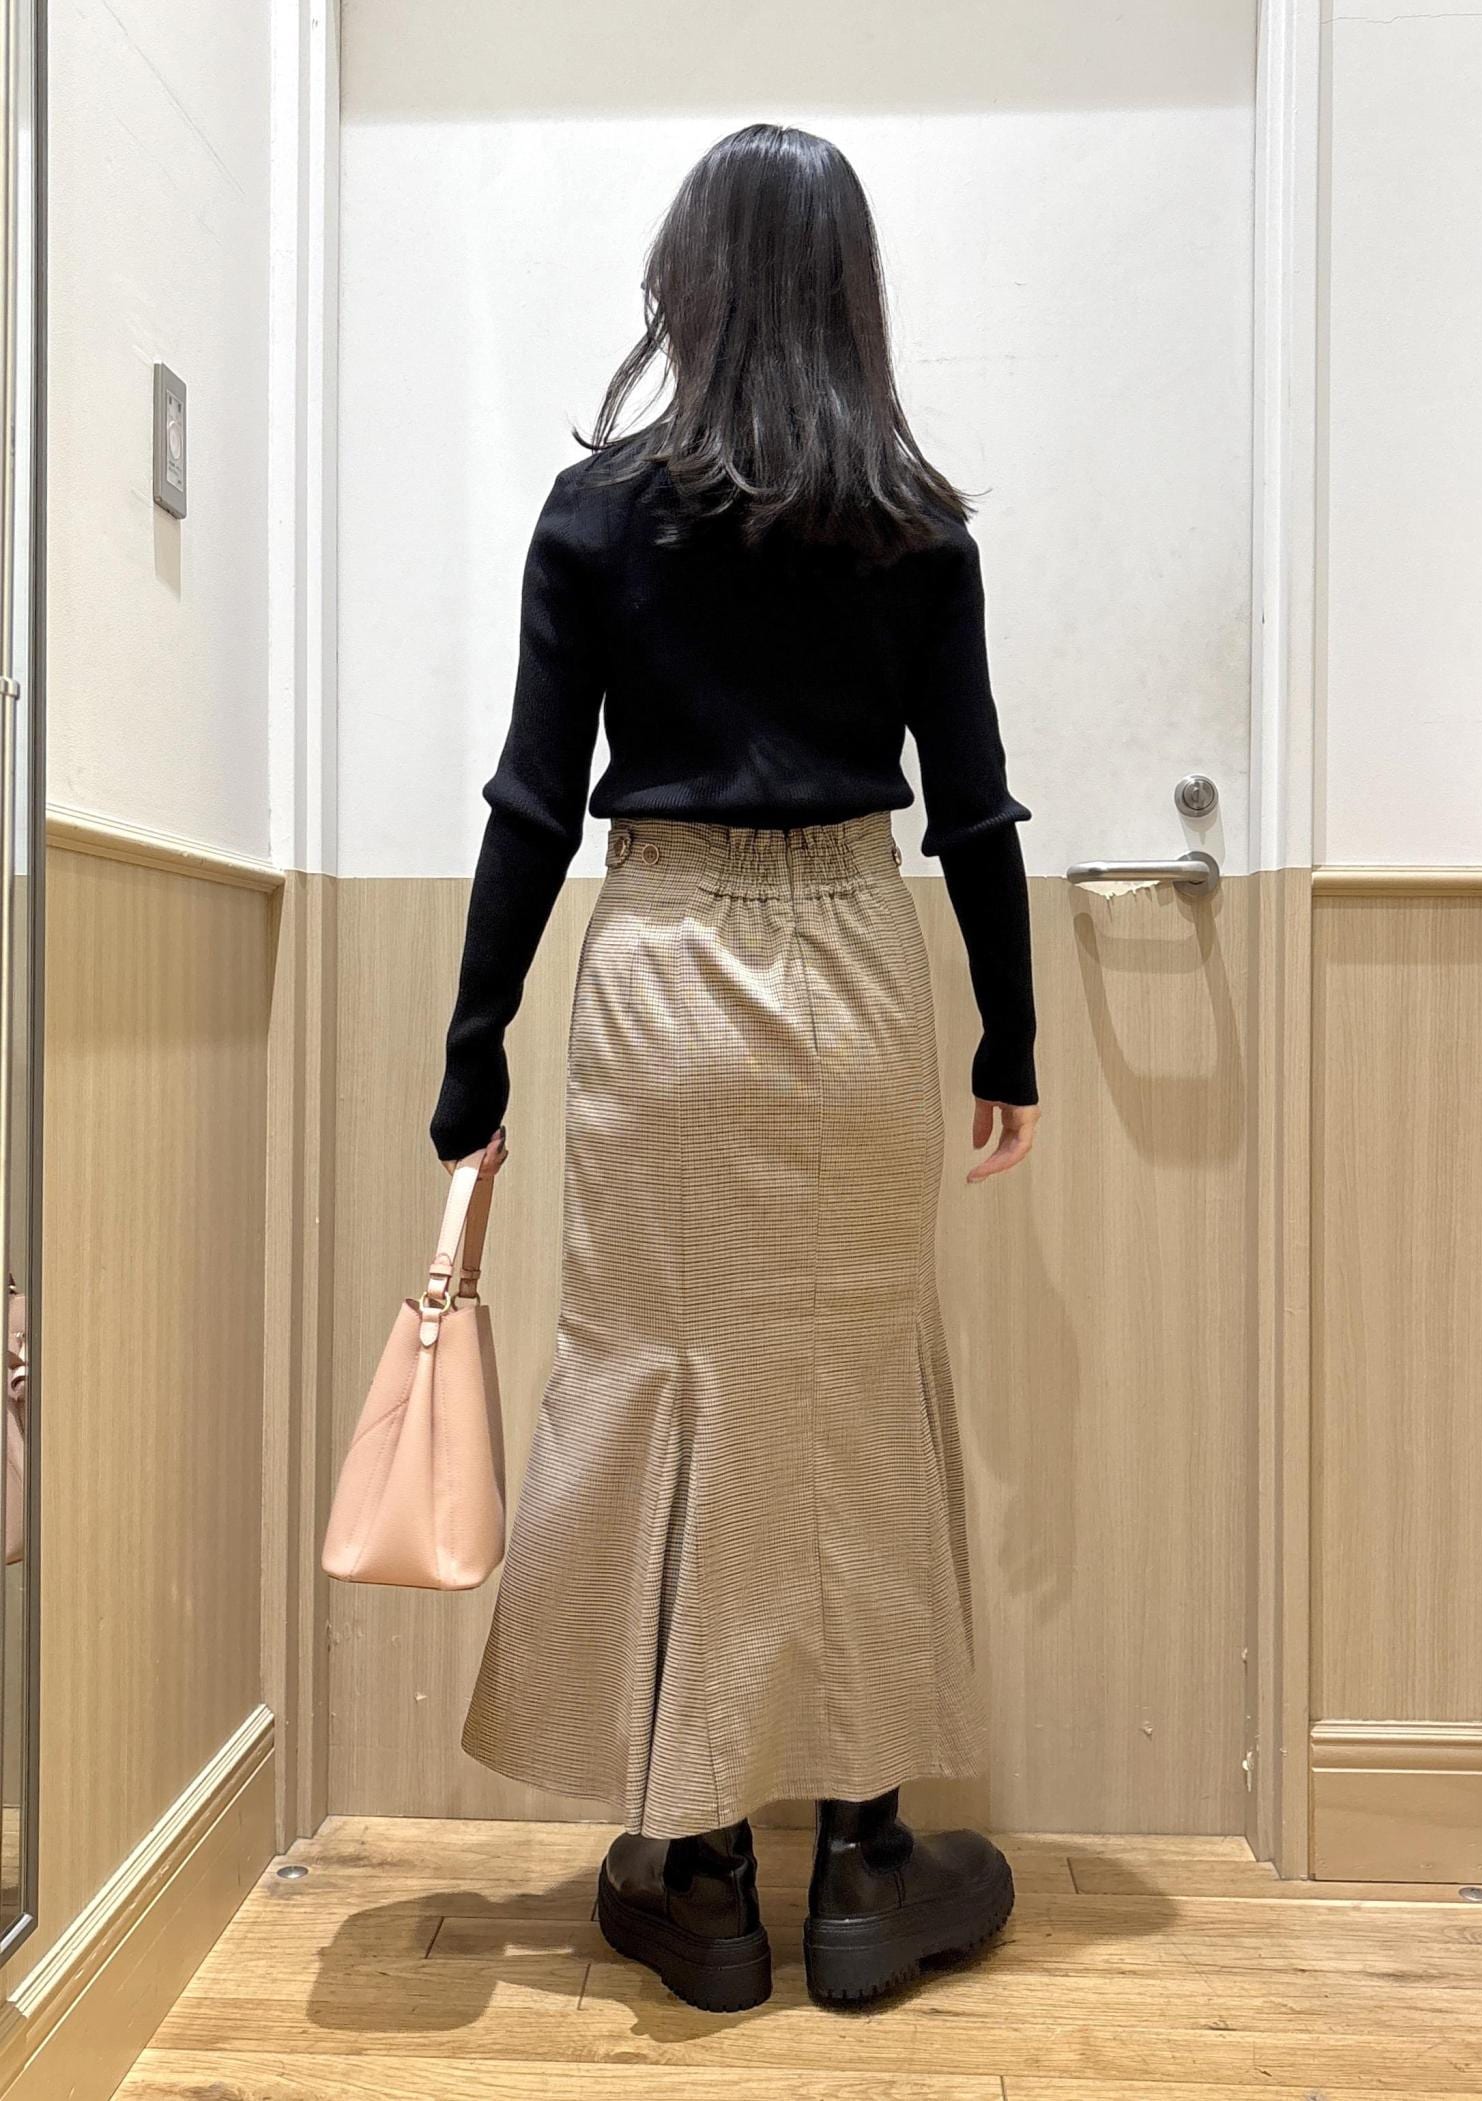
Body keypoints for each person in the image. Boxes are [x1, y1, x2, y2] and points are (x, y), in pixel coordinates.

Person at [430, 123, 1040, 2013]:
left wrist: (474, 1047)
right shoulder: (916, 522)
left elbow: (534, 806)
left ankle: (698, 1873)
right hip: (857, 967)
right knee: (853, 1383)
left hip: (665, 969)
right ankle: (863, 1863)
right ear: (851, 294)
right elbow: (974, 805)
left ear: (686, 283)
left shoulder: (597, 512)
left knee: (656, 1373)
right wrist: (1011, 1033)